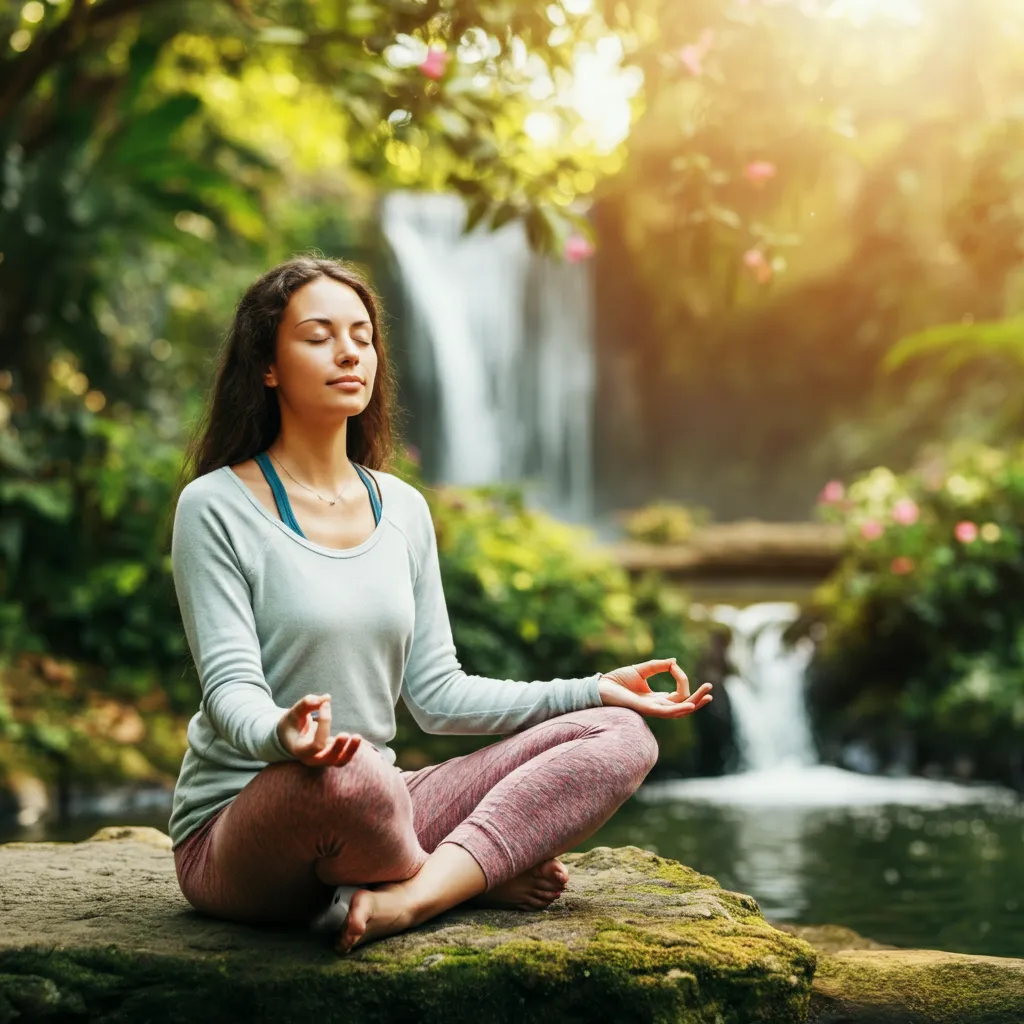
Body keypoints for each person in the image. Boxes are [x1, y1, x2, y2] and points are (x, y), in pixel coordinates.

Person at [168, 255, 713, 955]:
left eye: (362, 336)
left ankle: (418, 893)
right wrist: (286, 735)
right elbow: (228, 690)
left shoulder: (402, 508)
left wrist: (592, 689)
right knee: (353, 775)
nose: (348, 352)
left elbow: (437, 693)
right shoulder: (214, 506)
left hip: (375, 809)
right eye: (318, 336)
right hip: (247, 827)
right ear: (266, 366)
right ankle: (468, 876)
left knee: (622, 734)